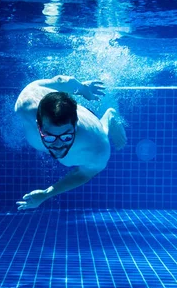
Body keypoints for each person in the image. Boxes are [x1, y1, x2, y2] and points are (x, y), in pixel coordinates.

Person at [14, 75, 127, 210]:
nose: (57, 145)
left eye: (66, 137)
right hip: (65, 110)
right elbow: (59, 81)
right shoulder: (25, 107)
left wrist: (46, 194)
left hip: (92, 127)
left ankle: (109, 115)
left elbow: (84, 174)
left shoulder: (97, 147)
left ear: (74, 127)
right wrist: (81, 88)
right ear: (38, 126)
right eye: (49, 137)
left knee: (102, 129)